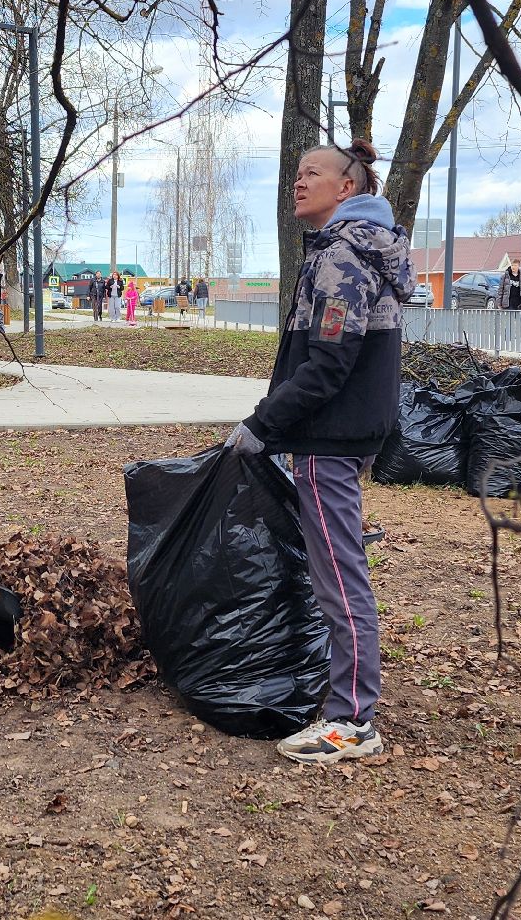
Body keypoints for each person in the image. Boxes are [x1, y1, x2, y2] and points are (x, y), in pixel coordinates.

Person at [225, 138, 413, 765]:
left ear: (349, 188)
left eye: (313, 173)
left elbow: (328, 365)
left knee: (339, 574)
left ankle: (352, 721)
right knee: (336, 568)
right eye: (296, 172)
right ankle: (344, 702)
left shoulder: (342, 258)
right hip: (334, 434)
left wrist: (262, 423)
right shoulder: (346, 251)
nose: (298, 183)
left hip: (329, 438)